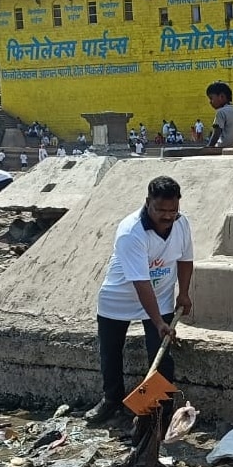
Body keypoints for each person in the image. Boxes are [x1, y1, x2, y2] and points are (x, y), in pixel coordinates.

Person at [86, 176, 194, 425]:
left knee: (161, 352)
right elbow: (141, 283)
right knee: (110, 352)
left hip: (161, 297)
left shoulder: (181, 224)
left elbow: (185, 260)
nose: (167, 217)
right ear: (147, 203)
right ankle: (111, 400)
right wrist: (157, 321)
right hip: (119, 297)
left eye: (173, 210)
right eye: (161, 210)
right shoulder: (131, 232)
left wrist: (184, 292)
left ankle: (157, 409)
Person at [205, 81, 233, 149]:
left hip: (224, 148)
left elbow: (216, 133)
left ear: (221, 96)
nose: (210, 102)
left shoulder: (221, 112)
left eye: (211, 98)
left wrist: (208, 147)